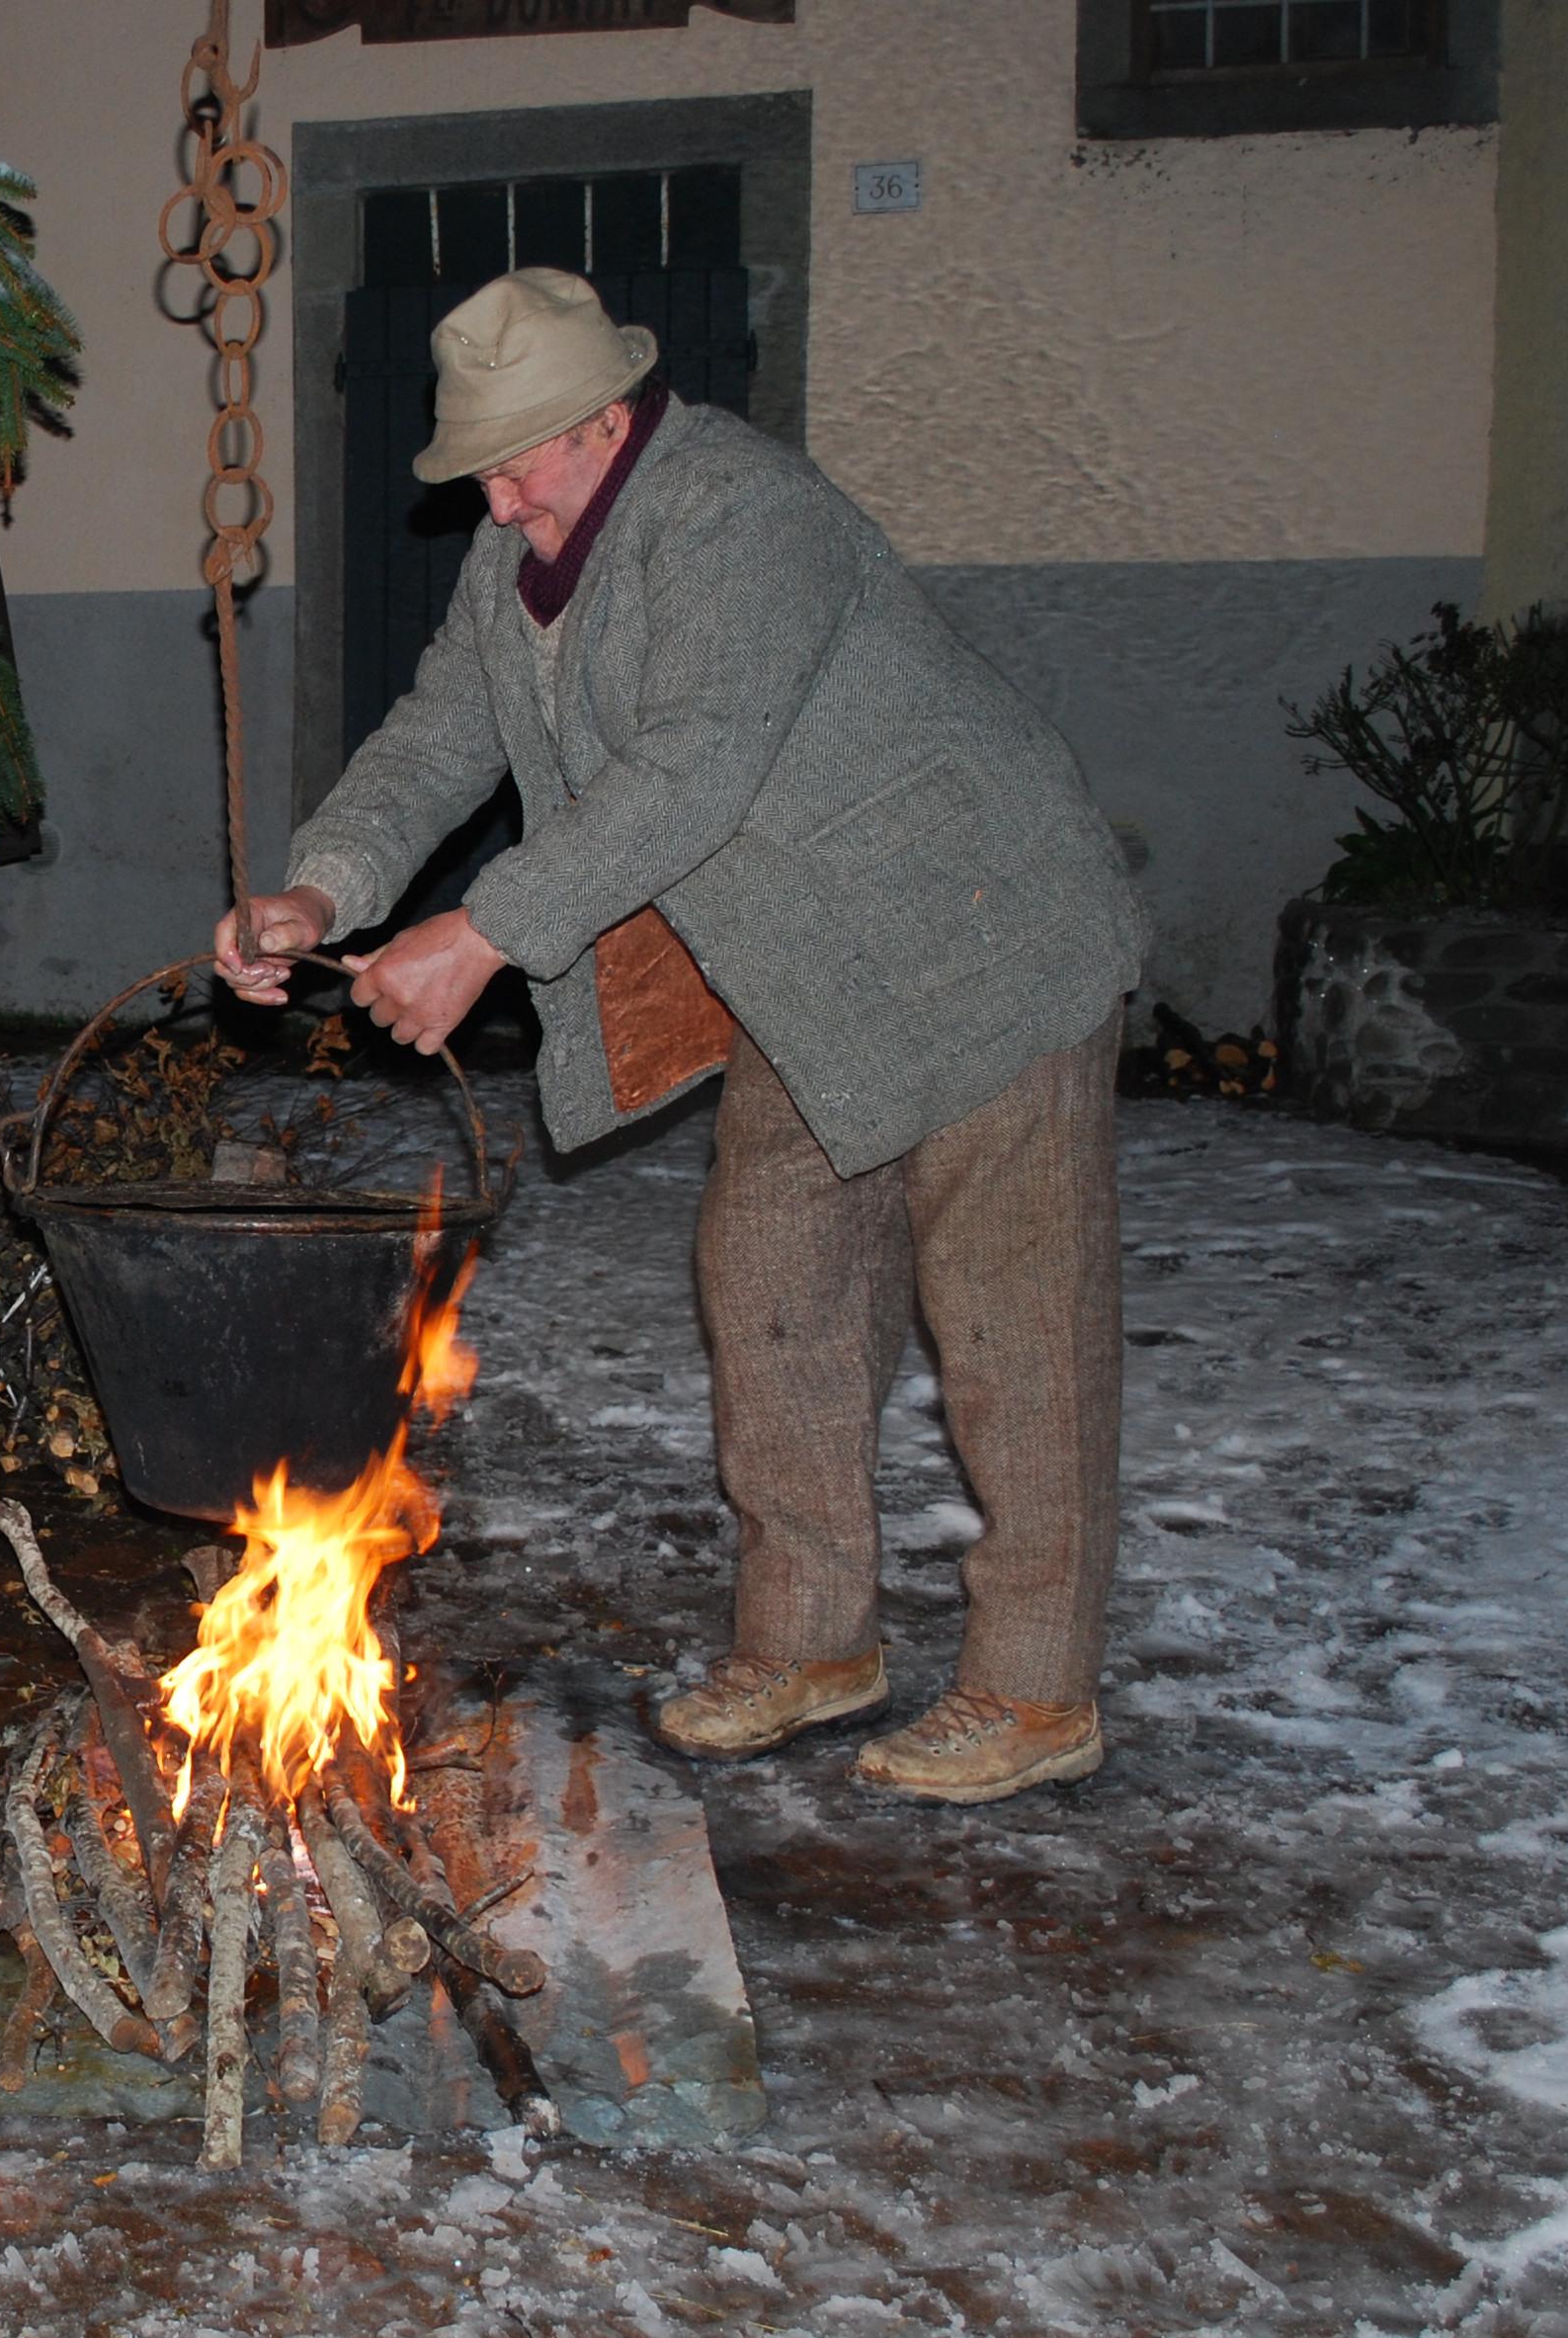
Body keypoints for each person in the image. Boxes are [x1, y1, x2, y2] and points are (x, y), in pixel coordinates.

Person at [217, 270, 1146, 1805]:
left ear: (612, 417)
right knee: (773, 1283)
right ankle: (811, 1642)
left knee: (1012, 1327)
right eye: (479, 472)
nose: (499, 500)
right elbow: (439, 737)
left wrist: (487, 933)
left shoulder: (740, 514)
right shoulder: (520, 550)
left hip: (985, 939)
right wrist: (325, 889)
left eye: (524, 462)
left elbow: (691, 768)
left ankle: (1037, 1692)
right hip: (806, 969)